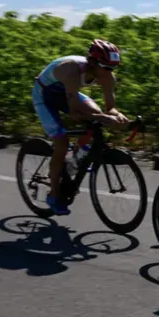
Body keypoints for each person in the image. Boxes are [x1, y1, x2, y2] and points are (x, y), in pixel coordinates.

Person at [31, 39, 129, 215]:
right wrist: (105, 118)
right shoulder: (72, 70)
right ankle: (54, 195)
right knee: (61, 143)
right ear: (92, 63)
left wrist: (118, 116)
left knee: (96, 118)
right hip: (44, 95)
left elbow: (110, 108)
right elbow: (75, 113)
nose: (109, 72)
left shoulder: (107, 75)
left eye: (113, 68)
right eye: (106, 68)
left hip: (69, 92)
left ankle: (73, 161)